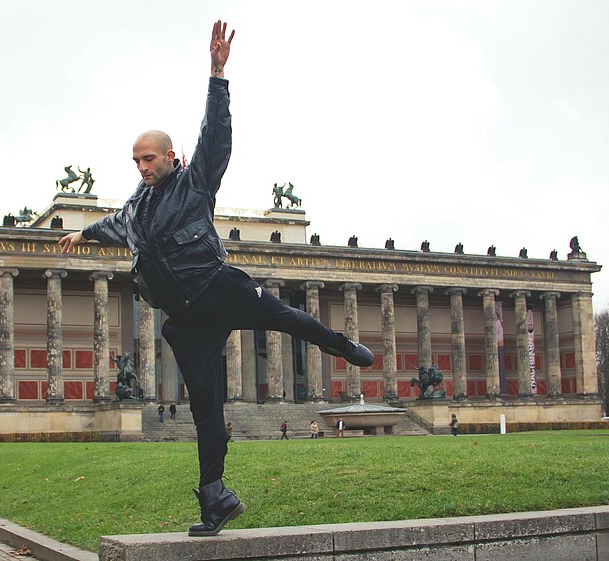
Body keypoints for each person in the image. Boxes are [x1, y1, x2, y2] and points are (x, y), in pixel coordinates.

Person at [58, 20, 374, 538]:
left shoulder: (195, 182)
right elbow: (113, 226)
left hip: (218, 287)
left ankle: (342, 347)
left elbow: (215, 137)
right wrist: (83, 234)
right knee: (206, 407)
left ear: (170, 156)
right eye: (136, 160)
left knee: (286, 317)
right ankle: (215, 498)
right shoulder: (135, 209)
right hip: (186, 319)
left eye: (148, 158)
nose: (141, 166)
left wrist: (217, 74)